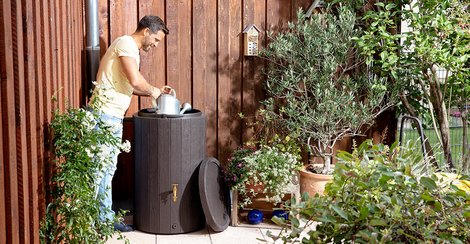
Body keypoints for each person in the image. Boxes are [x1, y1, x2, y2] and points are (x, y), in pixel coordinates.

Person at [90, 15, 169, 232]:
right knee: (100, 169)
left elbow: (129, 85)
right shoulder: (125, 43)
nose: (155, 45)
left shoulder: (130, 50)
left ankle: (103, 219)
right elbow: (135, 80)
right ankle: (97, 222)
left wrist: (156, 90)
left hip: (112, 114)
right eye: (156, 40)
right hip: (104, 114)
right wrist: (152, 91)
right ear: (146, 31)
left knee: (107, 169)